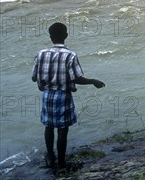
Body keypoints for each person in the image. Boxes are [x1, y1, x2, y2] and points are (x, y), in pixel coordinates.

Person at [31, 22, 105, 174]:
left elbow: (34, 78)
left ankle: (51, 159)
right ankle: (62, 164)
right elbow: (77, 78)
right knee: (62, 130)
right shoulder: (70, 55)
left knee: (49, 127)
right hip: (63, 95)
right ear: (66, 35)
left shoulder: (41, 53)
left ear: (50, 37)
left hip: (47, 94)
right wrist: (93, 81)